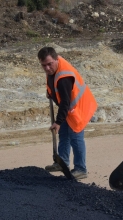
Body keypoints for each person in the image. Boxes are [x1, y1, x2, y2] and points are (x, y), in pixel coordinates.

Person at [38, 46, 97, 180]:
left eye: (49, 64)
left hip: (79, 108)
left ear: (56, 59)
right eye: (43, 65)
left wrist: (58, 122)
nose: (47, 68)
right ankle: (62, 162)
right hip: (68, 108)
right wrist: (51, 93)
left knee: (75, 138)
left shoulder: (64, 76)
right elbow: (58, 92)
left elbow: (65, 102)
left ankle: (81, 169)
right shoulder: (54, 69)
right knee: (64, 134)